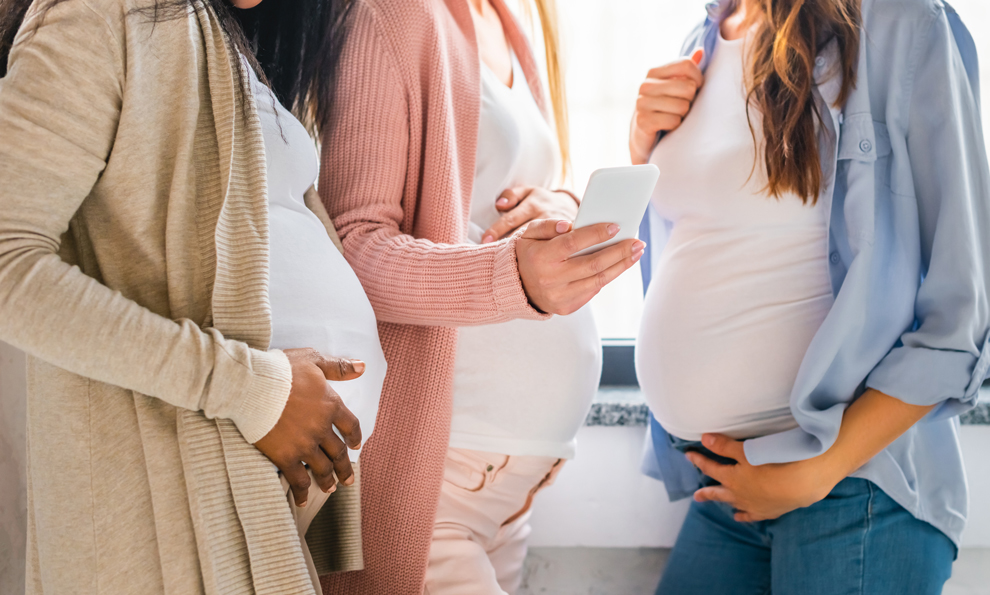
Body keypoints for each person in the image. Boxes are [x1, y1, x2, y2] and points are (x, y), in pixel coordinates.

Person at [0, 0, 381, 592]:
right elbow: (7, 268)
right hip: (164, 493)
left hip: (243, 489)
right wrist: (251, 388)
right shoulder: (94, 15)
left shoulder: (214, 34)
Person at [631, 0, 990, 592]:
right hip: (728, 486)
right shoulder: (704, 37)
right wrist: (641, 147)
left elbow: (961, 311)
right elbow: (714, 239)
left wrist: (820, 469)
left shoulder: (900, 23)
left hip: (854, 488)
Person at [317, 0, 645, 592]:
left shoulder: (513, 19)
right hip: (439, 475)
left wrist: (562, 205)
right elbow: (352, 246)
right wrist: (514, 278)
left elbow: (501, 203)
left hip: (509, 487)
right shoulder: (387, 14)